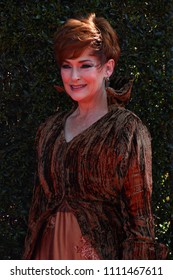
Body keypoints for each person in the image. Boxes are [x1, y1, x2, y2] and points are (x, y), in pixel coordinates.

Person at [23, 13, 168, 260]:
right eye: (66, 66)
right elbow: (37, 211)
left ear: (107, 68)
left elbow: (140, 222)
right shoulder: (49, 130)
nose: (74, 76)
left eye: (85, 65)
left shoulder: (127, 130)